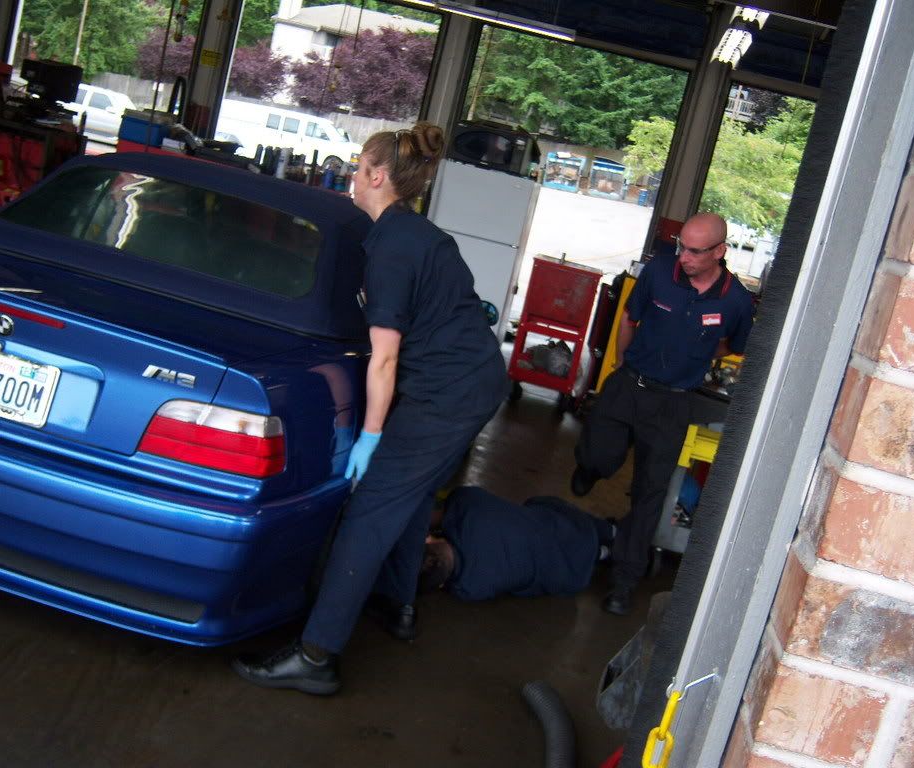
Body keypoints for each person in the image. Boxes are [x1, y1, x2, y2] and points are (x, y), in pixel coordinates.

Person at [232, 123, 509, 695]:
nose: (352, 176)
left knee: (370, 511)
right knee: (407, 497)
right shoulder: (416, 233)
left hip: (447, 395)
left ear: (377, 177)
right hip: (471, 380)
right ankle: (399, 604)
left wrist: (372, 436)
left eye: (358, 167)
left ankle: (315, 655)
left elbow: (383, 361)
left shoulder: (389, 249)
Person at [570, 213, 753, 616]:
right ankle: (591, 467)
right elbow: (630, 319)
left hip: (673, 403)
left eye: (693, 250)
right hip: (629, 383)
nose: (682, 256)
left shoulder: (735, 301)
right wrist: (621, 364)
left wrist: (697, 355)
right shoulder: (659, 272)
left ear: (719, 252)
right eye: (681, 245)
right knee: (600, 452)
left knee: (650, 493)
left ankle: (624, 580)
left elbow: (731, 346)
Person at [419, 486, 617, 601]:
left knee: (548, 555)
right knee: (536, 511)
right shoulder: (467, 507)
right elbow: (452, 503)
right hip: (573, 527)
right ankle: (612, 531)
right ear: (429, 538)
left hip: (573, 577)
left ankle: (603, 553)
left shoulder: (469, 587)